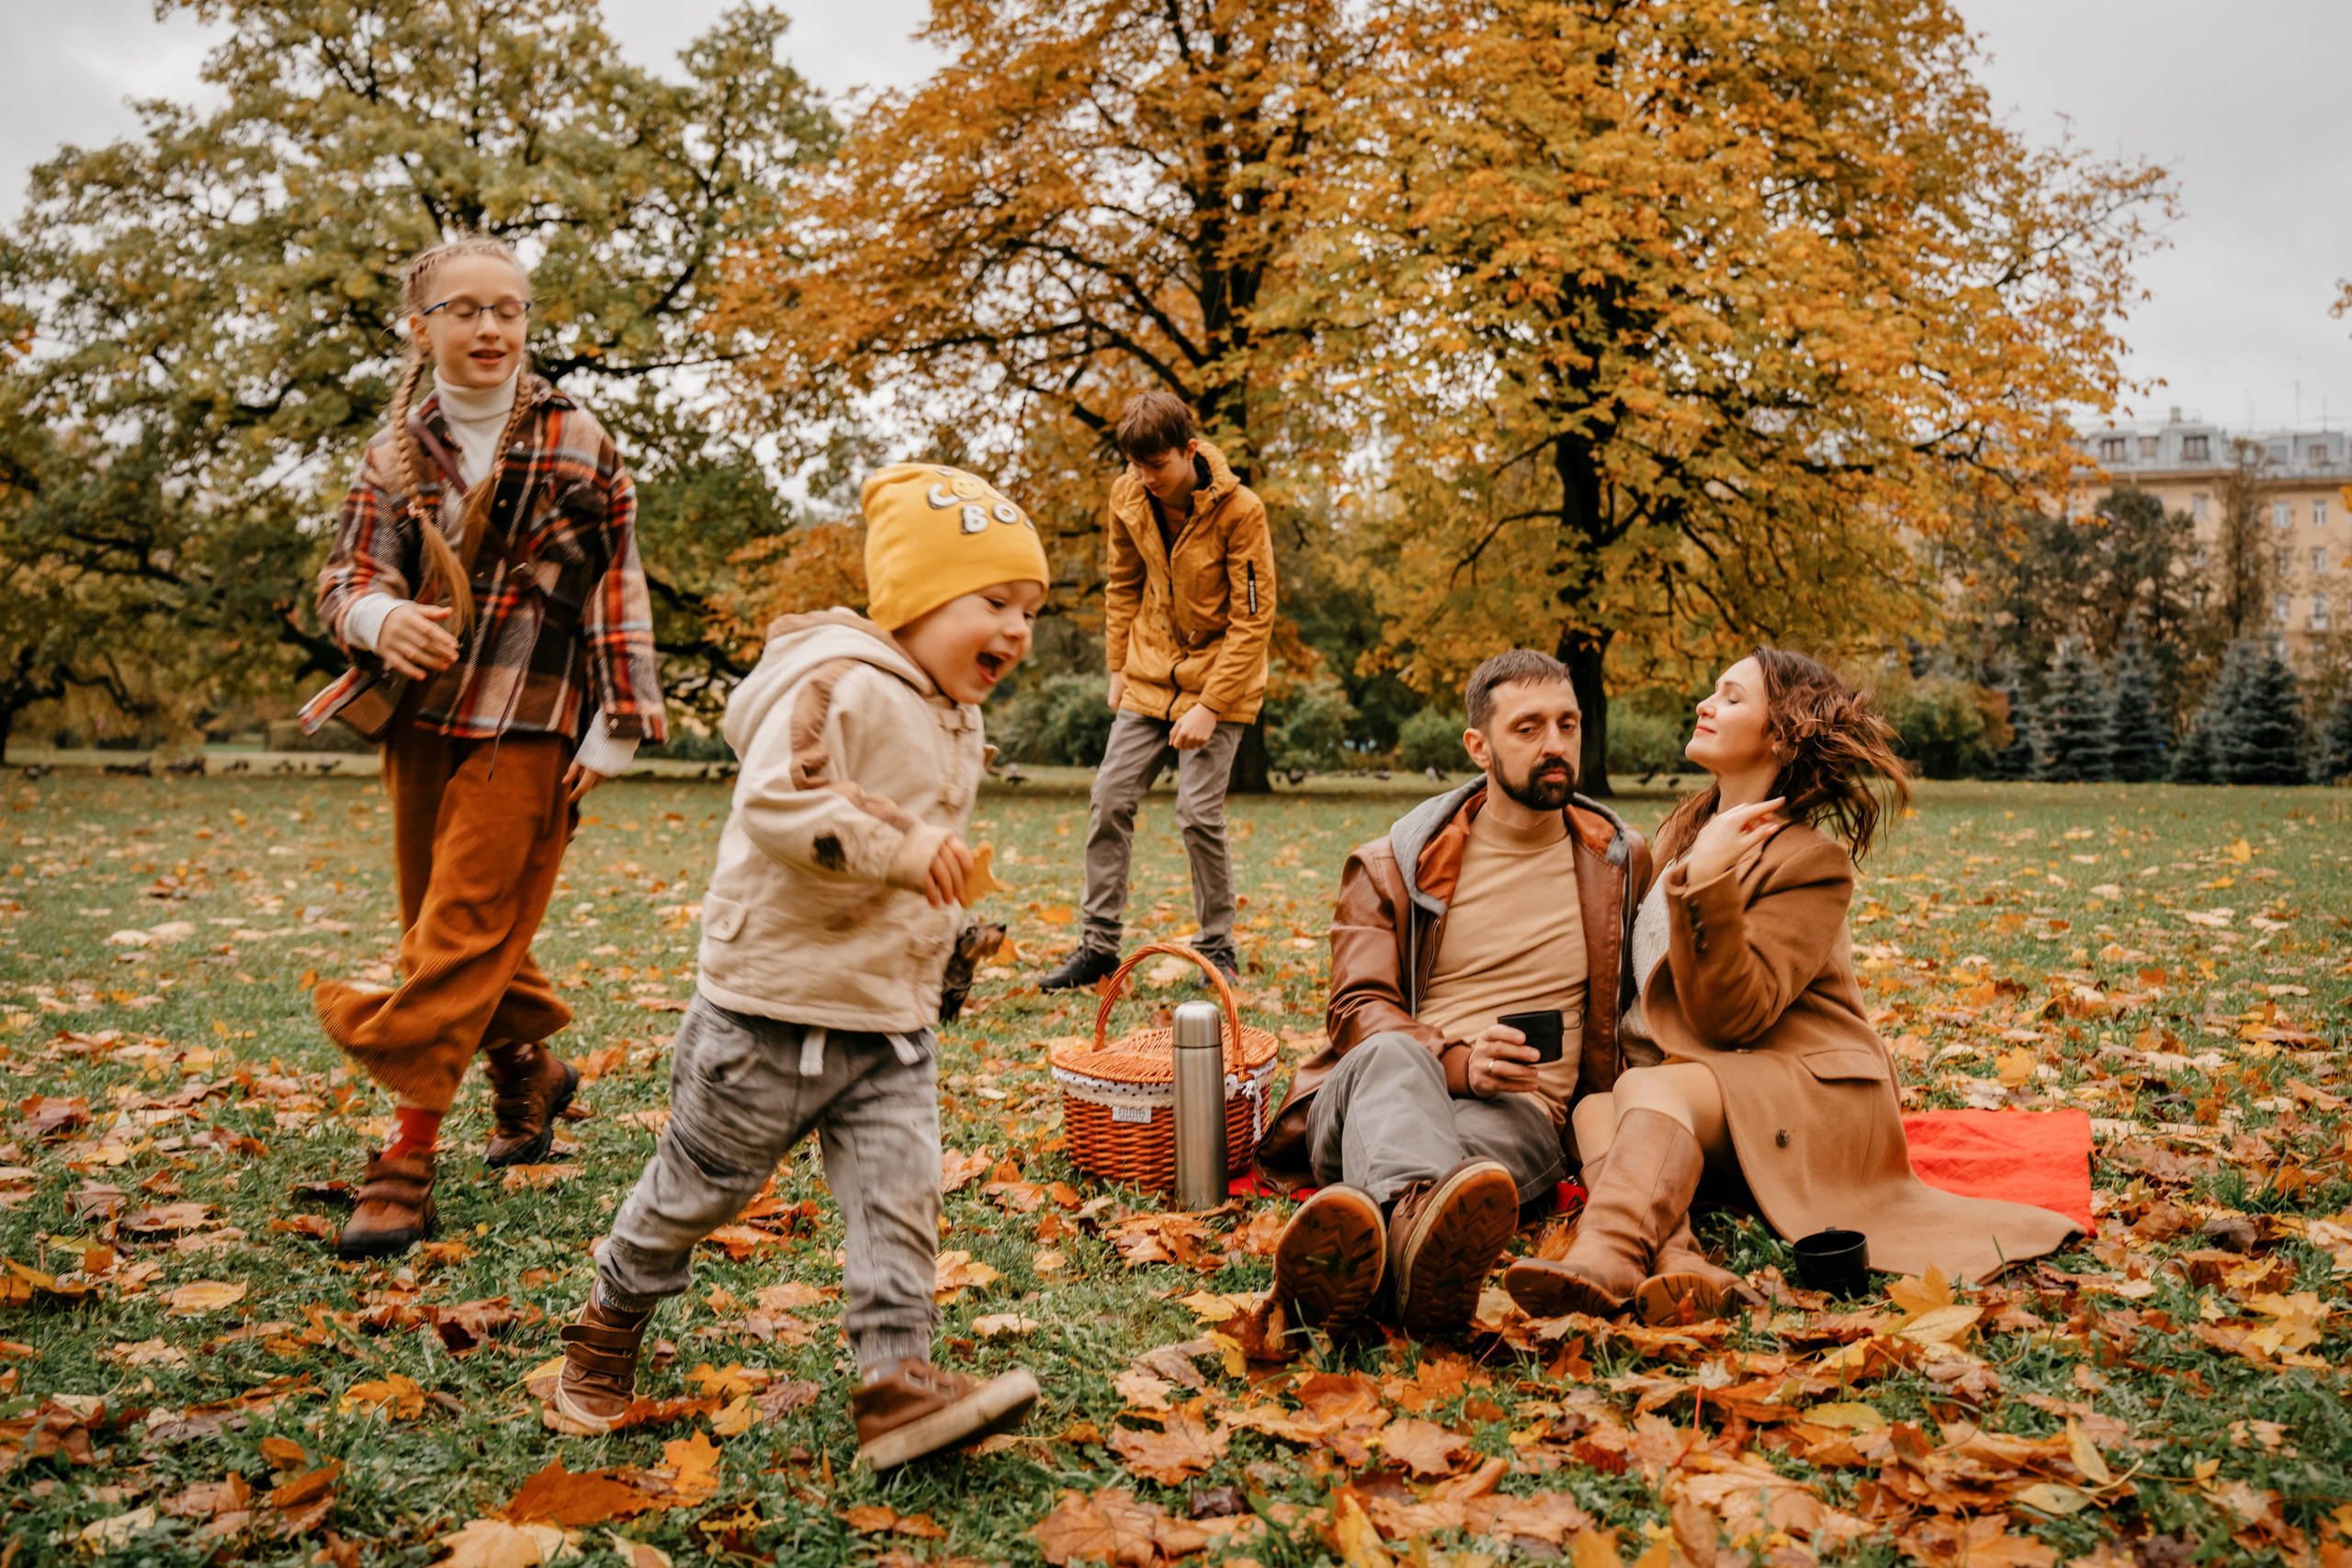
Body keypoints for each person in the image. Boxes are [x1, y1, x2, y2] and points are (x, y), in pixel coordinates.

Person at [552, 463, 1048, 1470]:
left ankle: (894, 1383)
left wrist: (947, 930)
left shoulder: (959, 712)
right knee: (699, 1193)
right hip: (768, 1015)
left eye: (1030, 610)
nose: (1018, 629)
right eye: (993, 601)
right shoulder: (839, 684)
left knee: (901, 1198)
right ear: (914, 598)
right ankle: (608, 1323)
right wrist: (908, 852)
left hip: (886, 1024)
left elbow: (904, 857)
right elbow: (781, 807)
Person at [1503, 649, 2081, 1324]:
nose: (1704, 705)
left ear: (1777, 736)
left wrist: (1713, 881)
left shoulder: (1811, 861)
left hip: (1811, 1090)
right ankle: (1680, 1262)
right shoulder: (1680, 833)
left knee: (1646, 1088)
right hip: (1713, 1089)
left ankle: (1607, 1253)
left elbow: (1732, 1020)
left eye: (1730, 696)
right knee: (1596, 1109)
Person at [300, 235, 664, 1261]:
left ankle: (406, 1161)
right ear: (422, 328)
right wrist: (378, 620)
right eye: (465, 310)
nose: (493, 327)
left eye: (509, 309)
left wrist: (621, 720)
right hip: (422, 718)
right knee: (441, 919)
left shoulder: (576, 438)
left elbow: (616, 579)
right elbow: (345, 579)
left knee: (450, 934)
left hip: (536, 714)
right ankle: (529, 1068)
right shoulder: (393, 456)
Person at [1253, 649, 1650, 1335]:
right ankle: (1418, 1250)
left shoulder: (1617, 860)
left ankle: (1367, 1257)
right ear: (1479, 745)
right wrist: (1461, 1062)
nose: (1555, 745)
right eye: (1528, 728)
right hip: (1377, 1092)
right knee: (1391, 1057)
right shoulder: (1390, 864)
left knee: (1467, 1178)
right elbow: (1357, 1011)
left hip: (1517, 1116)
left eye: (1567, 724)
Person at [1039, 391, 1276, 991]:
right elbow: (1122, 584)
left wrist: (1210, 706)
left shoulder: (1242, 511)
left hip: (1221, 677)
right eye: (1137, 466)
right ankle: (1097, 946)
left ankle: (1218, 947)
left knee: (1197, 812)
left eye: (1158, 466)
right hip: (1148, 674)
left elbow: (1254, 622)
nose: (1147, 478)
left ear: (1190, 452)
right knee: (1109, 796)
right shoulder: (1127, 495)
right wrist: (1117, 665)